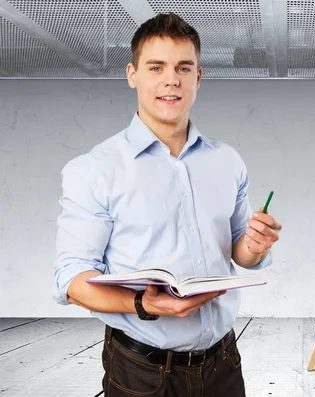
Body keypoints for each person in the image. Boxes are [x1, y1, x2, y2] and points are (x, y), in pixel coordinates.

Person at [52, 12, 282, 397]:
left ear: (198, 78)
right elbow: (72, 282)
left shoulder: (227, 161)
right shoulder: (94, 169)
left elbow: (240, 253)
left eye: (183, 67)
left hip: (224, 363)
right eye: (156, 67)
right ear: (132, 75)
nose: (171, 79)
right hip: (142, 371)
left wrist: (255, 247)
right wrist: (146, 303)